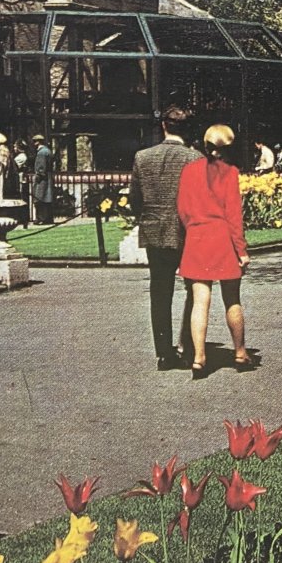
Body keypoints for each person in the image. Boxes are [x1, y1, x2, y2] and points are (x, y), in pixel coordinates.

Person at [130, 106, 203, 371]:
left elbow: (134, 200)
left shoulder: (142, 157)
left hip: (154, 230)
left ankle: (163, 352)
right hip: (187, 231)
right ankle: (188, 346)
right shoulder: (195, 159)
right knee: (194, 290)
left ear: (164, 126)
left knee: (160, 292)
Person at [177, 123, 251, 377]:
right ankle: (240, 352)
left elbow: (183, 210)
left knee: (200, 301)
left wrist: (194, 228)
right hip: (223, 240)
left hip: (197, 238)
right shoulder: (230, 173)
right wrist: (241, 250)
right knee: (232, 299)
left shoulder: (188, 171)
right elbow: (234, 217)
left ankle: (199, 357)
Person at [30, 134, 55, 224]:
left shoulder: (41, 152)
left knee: (40, 198)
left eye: (34, 142)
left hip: (42, 179)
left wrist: (38, 176)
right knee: (48, 198)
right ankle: (48, 218)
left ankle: (41, 218)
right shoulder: (48, 151)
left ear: (37, 142)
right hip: (49, 177)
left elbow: (41, 167)